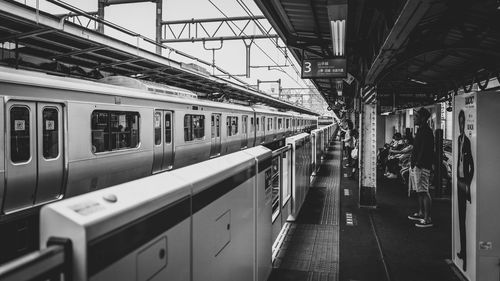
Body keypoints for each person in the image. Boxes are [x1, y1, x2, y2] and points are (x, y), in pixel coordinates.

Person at [407, 108, 434, 227]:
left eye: (416, 116)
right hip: (417, 166)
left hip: (422, 166)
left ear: (423, 118)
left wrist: (418, 164)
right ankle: (421, 212)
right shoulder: (421, 130)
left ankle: (427, 218)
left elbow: (424, 150)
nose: (414, 118)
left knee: (424, 191)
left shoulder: (427, 131)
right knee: (419, 191)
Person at [456, 109, 474, 271]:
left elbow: (472, 165)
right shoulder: (458, 139)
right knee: (461, 218)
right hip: (459, 181)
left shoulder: (467, 141)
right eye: (460, 122)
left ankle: (467, 255)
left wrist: (468, 184)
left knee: (465, 217)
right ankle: (463, 251)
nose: (461, 125)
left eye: (463, 122)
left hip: (465, 183)